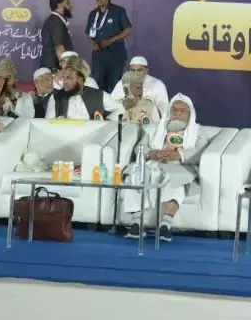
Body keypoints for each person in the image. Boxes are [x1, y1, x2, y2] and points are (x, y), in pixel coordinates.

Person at [122, 93, 213, 241]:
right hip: (153, 163)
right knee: (134, 175)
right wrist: (152, 154)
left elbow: (200, 151)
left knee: (176, 179)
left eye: (182, 111)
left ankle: (165, 225)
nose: (177, 114)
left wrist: (177, 155)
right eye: (174, 110)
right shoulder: (155, 129)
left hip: (180, 165)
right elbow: (140, 147)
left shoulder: (198, 131)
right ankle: (137, 223)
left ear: (190, 114)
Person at [86, 0, 133, 94]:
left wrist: (111, 40)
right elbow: (90, 34)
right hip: (99, 57)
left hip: (115, 56)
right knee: (97, 87)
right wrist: (93, 43)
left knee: (115, 87)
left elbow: (128, 30)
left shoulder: (118, 11)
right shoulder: (93, 14)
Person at [50, 55, 117, 120]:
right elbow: (47, 122)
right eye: (64, 78)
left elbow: (119, 109)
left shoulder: (98, 96)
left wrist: (107, 123)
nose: (65, 81)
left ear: (80, 80)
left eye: (69, 78)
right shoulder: (56, 97)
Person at [108, 56, 169, 121]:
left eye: (139, 70)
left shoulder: (158, 84)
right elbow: (111, 105)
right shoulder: (121, 83)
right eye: (133, 70)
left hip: (150, 122)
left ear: (146, 71)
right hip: (125, 122)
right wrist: (123, 104)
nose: (136, 73)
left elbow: (164, 110)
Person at [39, 0, 73, 70]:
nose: (70, 6)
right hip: (54, 69)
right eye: (67, 2)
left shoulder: (55, 20)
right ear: (59, 5)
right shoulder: (56, 22)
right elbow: (59, 47)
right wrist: (65, 69)